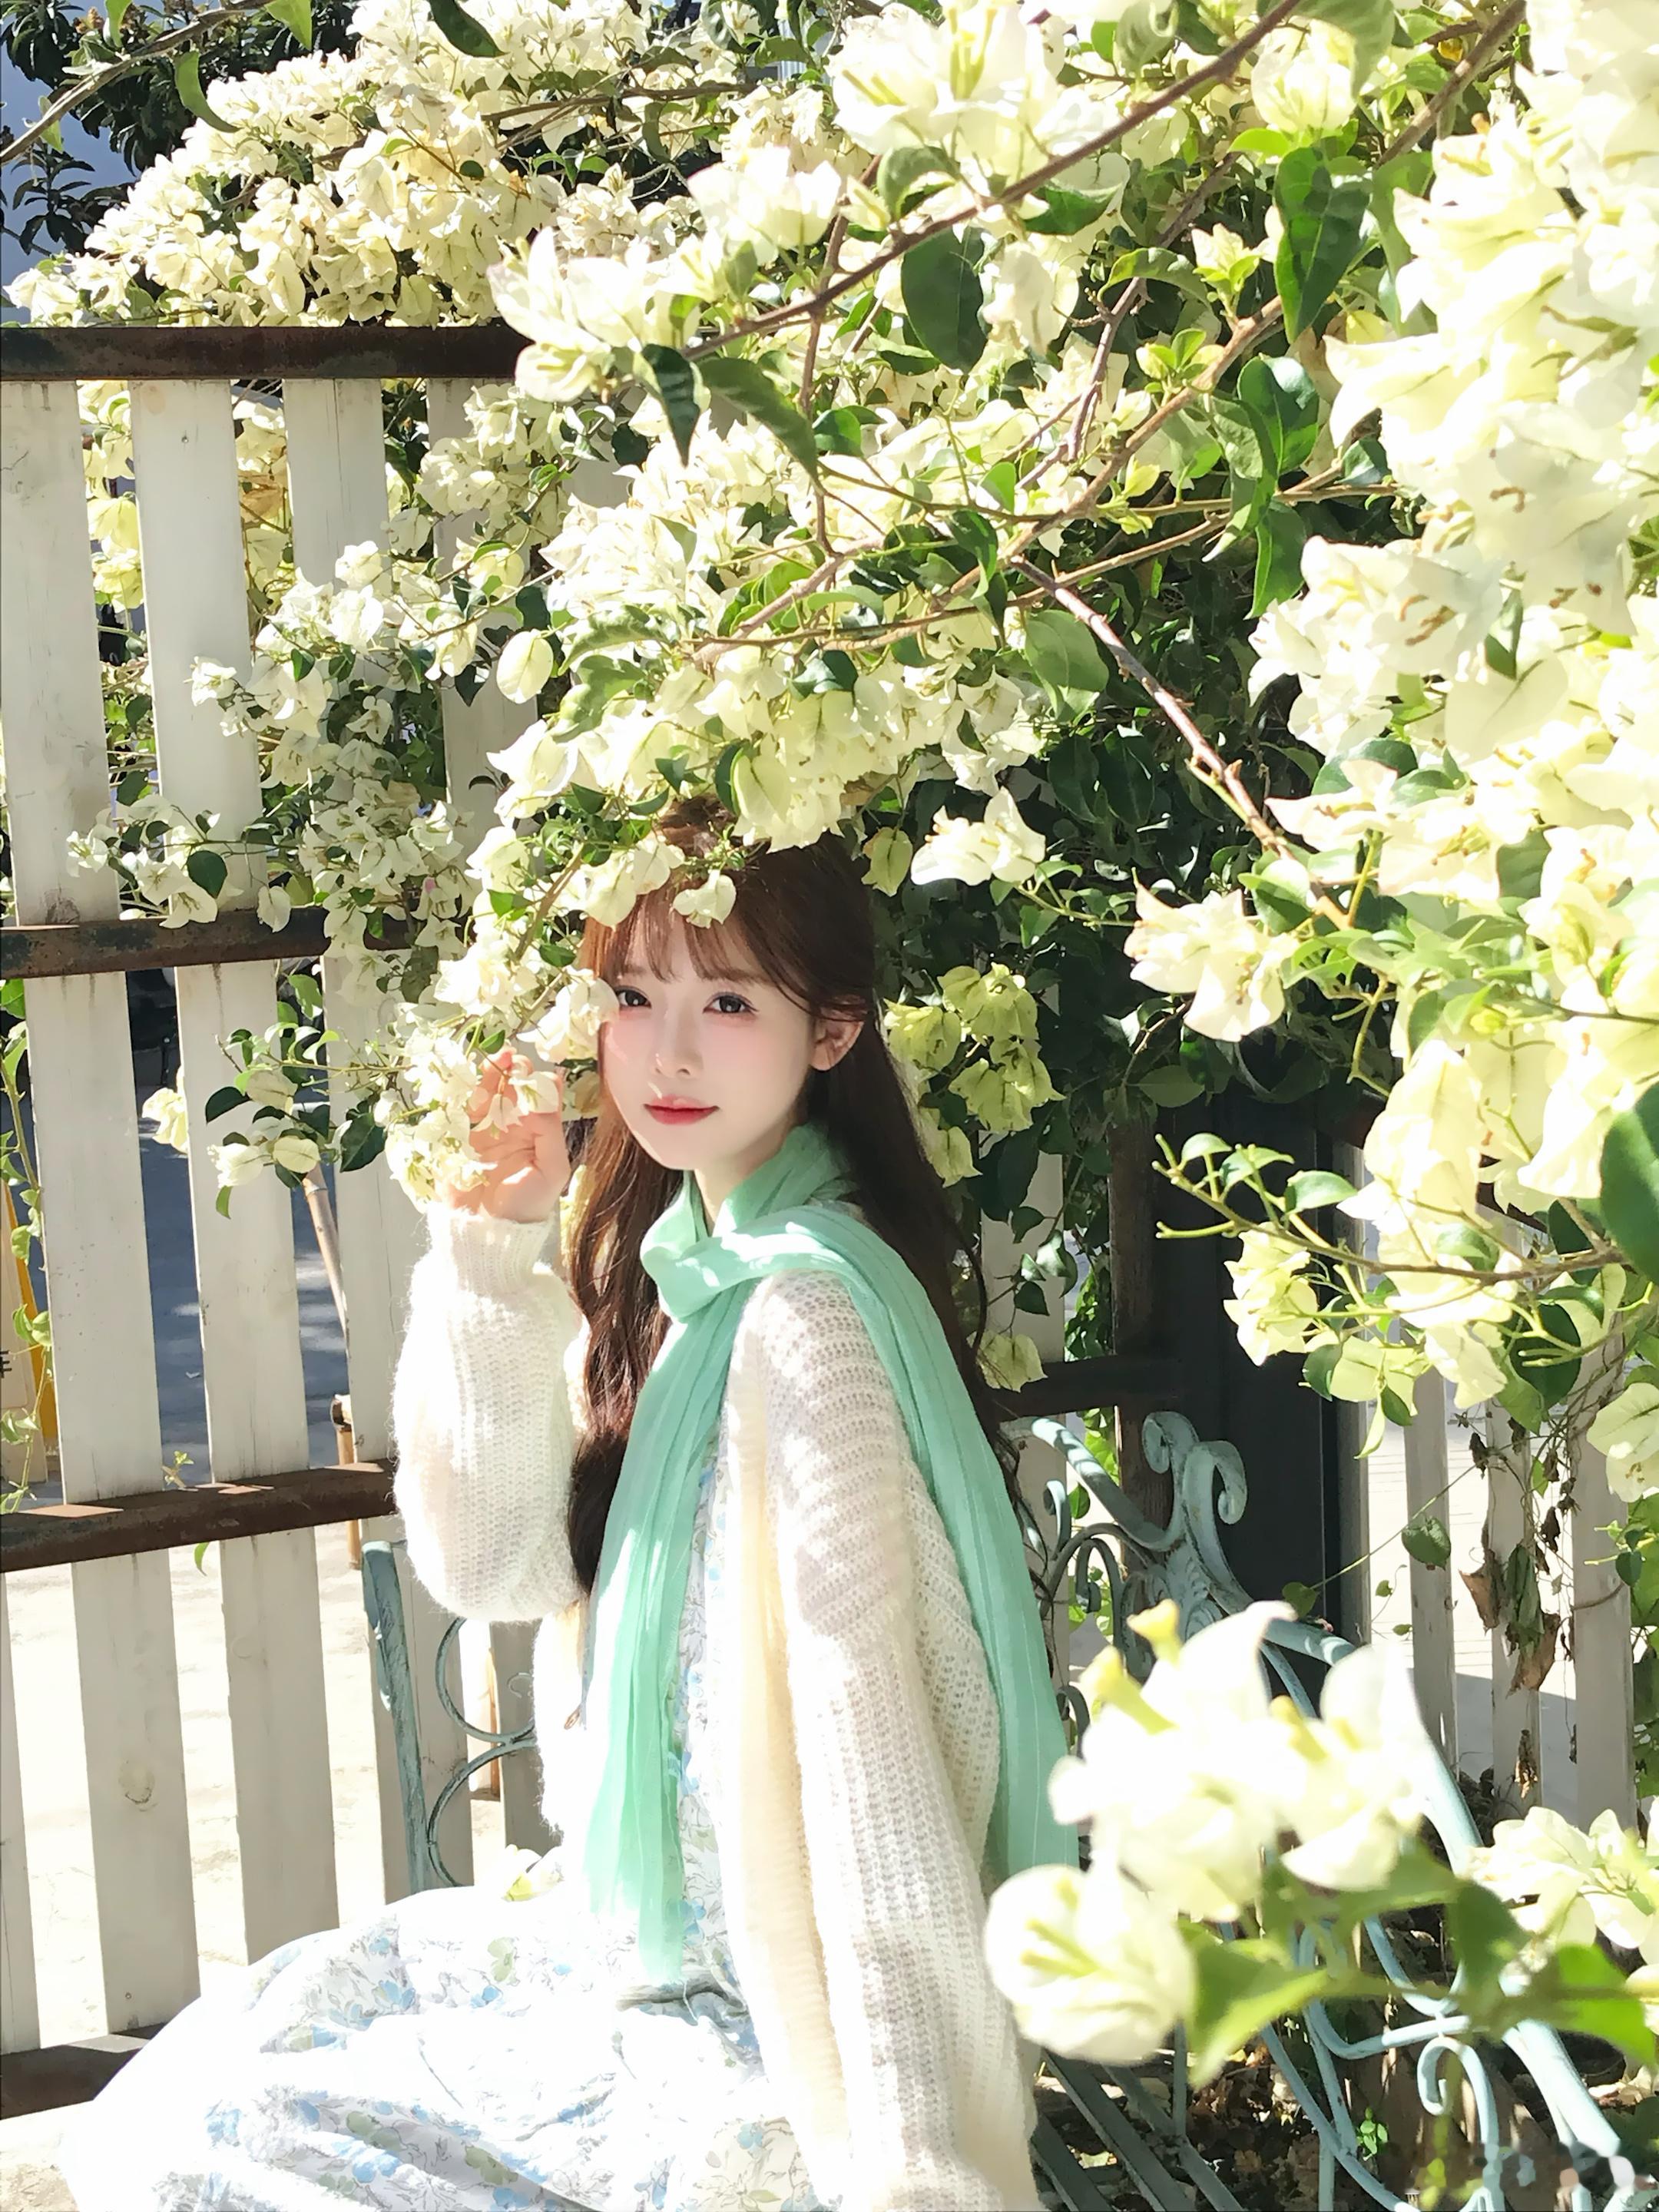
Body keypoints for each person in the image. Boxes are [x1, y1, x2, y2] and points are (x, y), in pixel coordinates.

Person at [57, 799, 1076, 2212]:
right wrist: (491, 1248)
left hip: (764, 2032)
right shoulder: (685, 1269)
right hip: (628, 1949)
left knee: (216, 2157)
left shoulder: (806, 1321)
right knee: (202, 2090)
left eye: (729, 1002)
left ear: (833, 1030)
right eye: (632, 997)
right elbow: (497, 1569)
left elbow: (878, 1762)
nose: (668, 1053)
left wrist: (921, 2168)